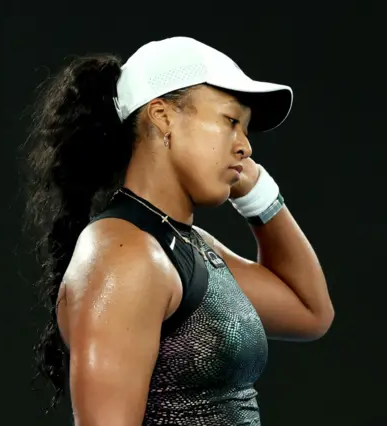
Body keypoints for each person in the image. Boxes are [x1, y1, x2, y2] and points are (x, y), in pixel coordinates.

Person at [24, 36, 334, 426]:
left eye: (247, 130)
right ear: (163, 116)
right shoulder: (123, 254)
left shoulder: (188, 246)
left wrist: (259, 196)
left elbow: (310, 312)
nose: (245, 147)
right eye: (231, 122)